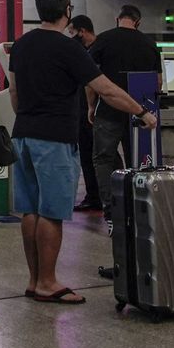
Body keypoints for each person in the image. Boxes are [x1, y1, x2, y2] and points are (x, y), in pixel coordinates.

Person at [9, 0, 156, 305]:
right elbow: (106, 89)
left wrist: (30, 117)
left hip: (22, 135)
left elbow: (14, 95)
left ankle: (34, 280)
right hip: (54, 138)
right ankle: (48, 282)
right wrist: (142, 111)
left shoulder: (20, 46)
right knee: (51, 211)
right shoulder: (69, 48)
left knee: (30, 211)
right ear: (67, 11)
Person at [87, 5, 161, 230]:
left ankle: (111, 213)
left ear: (118, 18)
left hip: (108, 110)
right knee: (137, 161)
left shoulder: (103, 39)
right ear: (138, 22)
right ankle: (138, 210)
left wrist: (91, 106)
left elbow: (90, 79)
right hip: (140, 113)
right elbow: (157, 82)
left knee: (103, 159)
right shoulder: (149, 43)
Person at [68, 15, 103, 213]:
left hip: (89, 110)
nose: (71, 36)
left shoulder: (89, 52)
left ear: (82, 31)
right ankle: (98, 194)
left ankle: (95, 196)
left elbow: (90, 83)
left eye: (72, 32)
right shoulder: (99, 49)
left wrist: (90, 106)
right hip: (97, 109)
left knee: (90, 154)